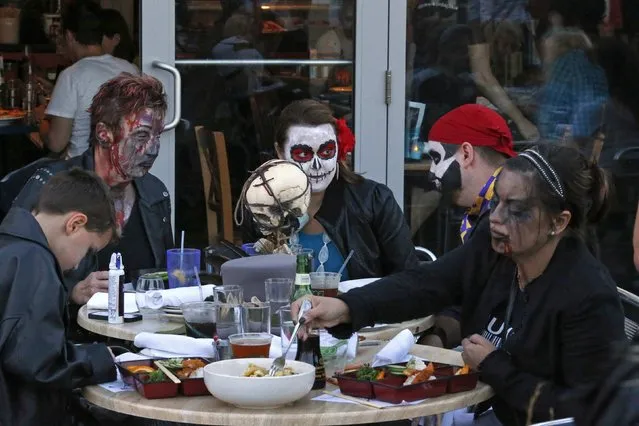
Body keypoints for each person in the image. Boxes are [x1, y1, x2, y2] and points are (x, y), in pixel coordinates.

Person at [293, 143, 626, 425]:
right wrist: (346, 307)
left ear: (558, 222)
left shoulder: (587, 297)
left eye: (516, 209)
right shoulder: (495, 248)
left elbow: (587, 409)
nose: (496, 218)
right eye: (497, 201)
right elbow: (428, 282)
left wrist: (496, 367)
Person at [7, 73, 172, 307]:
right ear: (104, 134)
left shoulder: (155, 193)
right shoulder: (54, 186)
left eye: (158, 136)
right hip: (74, 335)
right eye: (142, 136)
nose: (153, 148)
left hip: (138, 333)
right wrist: (72, 293)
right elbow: (12, 279)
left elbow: (165, 277)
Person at [245, 99, 418, 279]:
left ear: (338, 149)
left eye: (326, 151)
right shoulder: (262, 207)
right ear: (280, 152)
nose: (317, 165)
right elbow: (250, 283)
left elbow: (408, 280)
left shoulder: (374, 201)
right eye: (303, 154)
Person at [0, 168, 117, 426]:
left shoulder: (10, 247)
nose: (80, 263)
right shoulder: (35, 262)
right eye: (89, 250)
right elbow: (37, 361)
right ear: (75, 224)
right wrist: (104, 359)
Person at [420, 104, 516, 349]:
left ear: (466, 153)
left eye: (435, 158)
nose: (431, 172)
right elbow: (466, 295)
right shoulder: (477, 214)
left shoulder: (505, 218)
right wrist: (438, 337)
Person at [39, 0, 138, 158]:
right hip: (122, 168)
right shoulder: (131, 70)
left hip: (81, 173)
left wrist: (42, 122)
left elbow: (56, 143)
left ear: (70, 36)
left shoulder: (72, 75)